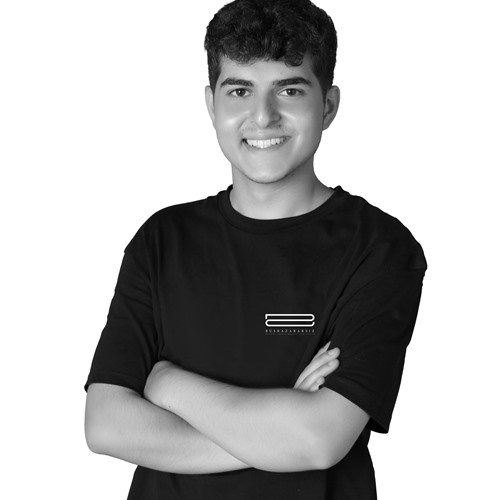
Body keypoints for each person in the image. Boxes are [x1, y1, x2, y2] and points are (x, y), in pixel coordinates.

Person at [84, 0, 427, 498]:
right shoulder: (162, 239)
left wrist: (165, 384)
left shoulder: (380, 248)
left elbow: (319, 440)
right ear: (212, 105)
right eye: (240, 91)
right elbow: (106, 425)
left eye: (290, 90)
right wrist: (277, 432)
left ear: (328, 106)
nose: (263, 116)